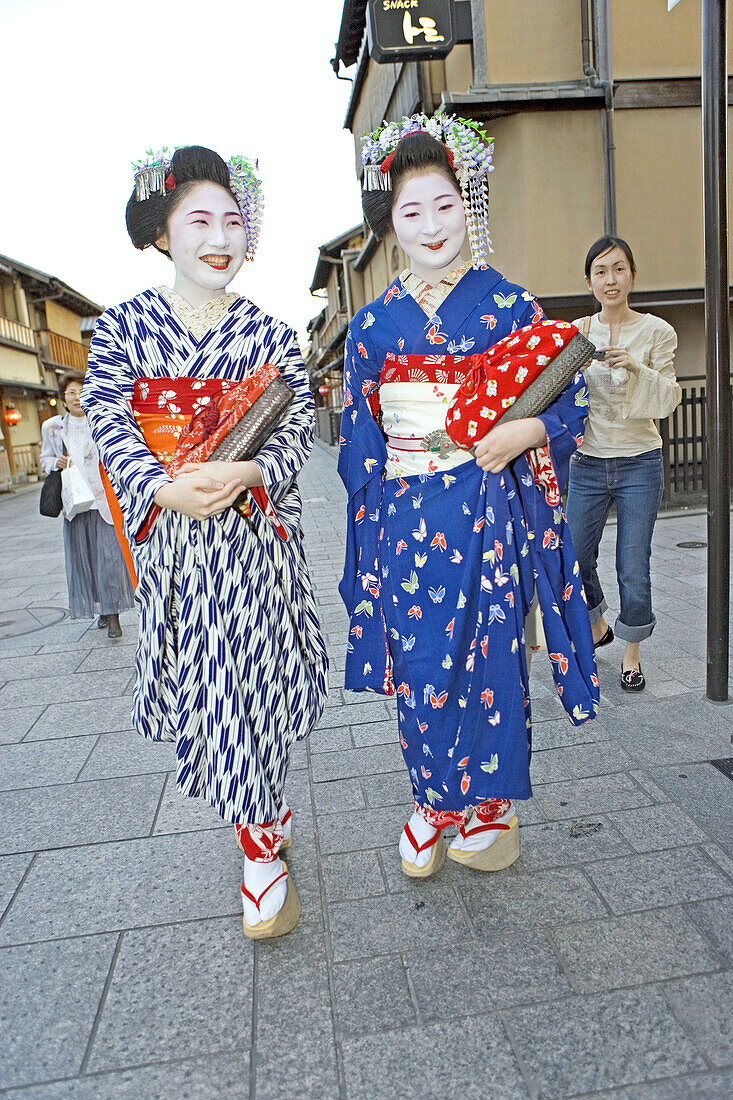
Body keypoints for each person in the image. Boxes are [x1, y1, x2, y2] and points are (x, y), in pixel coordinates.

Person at [338, 114, 599, 879]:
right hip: (408, 510)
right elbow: (361, 439)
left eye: (445, 204)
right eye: (410, 211)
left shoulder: (509, 305)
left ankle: (490, 809)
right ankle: (430, 801)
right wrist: (369, 530)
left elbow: (565, 398)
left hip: (488, 507)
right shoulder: (370, 326)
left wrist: (527, 435)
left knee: (490, 655)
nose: (430, 225)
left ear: (468, 203)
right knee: (419, 660)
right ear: (391, 221)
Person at [82, 145, 328, 939]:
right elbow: (110, 417)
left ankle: (259, 846)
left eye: (233, 220)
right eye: (199, 219)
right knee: (213, 685)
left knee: (250, 685)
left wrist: (254, 471)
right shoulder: (122, 329)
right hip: (176, 545)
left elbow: (292, 428)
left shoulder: (272, 332)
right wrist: (160, 485)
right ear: (162, 231)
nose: (219, 235)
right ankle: (260, 829)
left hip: (255, 541)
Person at [565, 236, 682, 693]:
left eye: (618, 269)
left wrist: (635, 366)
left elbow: (669, 396)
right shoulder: (577, 331)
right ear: (590, 280)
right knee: (573, 556)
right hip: (588, 462)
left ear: (632, 274)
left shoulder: (657, 331)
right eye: (600, 271)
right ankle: (597, 625)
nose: (610, 279)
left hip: (639, 462)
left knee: (633, 564)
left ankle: (631, 652)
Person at [40, 373, 135, 638]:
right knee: (85, 561)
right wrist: (53, 462)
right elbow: (44, 457)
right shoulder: (53, 427)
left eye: (82, 391)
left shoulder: (104, 423)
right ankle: (103, 610)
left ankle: (114, 615)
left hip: (103, 501)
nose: (77, 397)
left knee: (109, 560)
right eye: (71, 392)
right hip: (74, 503)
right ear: (63, 398)